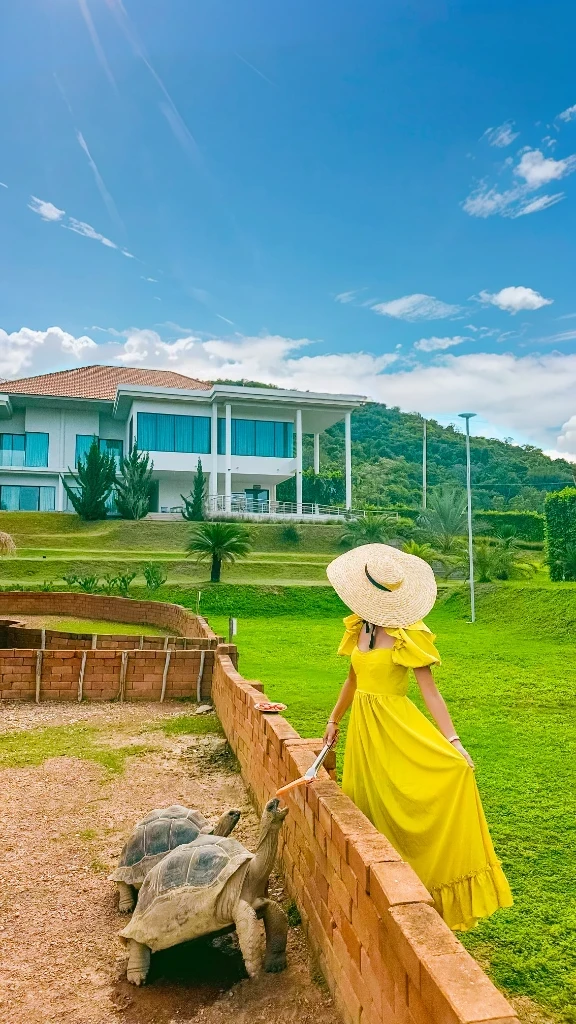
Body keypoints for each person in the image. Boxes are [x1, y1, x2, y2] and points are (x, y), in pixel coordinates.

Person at [323, 543, 512, 931]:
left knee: (411, 794)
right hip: (364, 725)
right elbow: (352, 680)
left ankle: (420, 883)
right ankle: (375, 883)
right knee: (371, 800)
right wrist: (333, 719)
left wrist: (454, 742)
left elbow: (431, 693)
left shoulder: (409, 635)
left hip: (396, 724)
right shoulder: (358, 626)